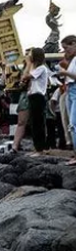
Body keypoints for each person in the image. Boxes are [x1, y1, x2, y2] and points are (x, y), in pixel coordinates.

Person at [21, 47, 50, 155]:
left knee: (38, 123)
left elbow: (25, 76)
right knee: (35, 122)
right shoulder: (36, 68)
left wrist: (28, 63)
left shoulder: (41, 68)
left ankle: (40, 149)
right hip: (33, 96)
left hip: (38, 96)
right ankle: (39, 147)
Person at [54, 35, 76, 164]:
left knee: (73, 124)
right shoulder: (73, 59)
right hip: (70, 89)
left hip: (73, 89)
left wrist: (64, 73)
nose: (65, 51)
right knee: (71, 124)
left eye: (66, 48)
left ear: (74, 43)